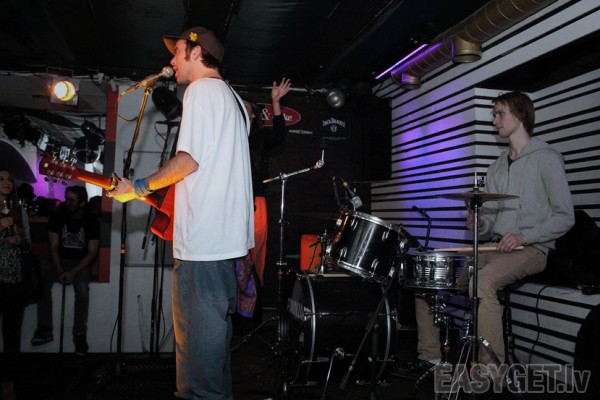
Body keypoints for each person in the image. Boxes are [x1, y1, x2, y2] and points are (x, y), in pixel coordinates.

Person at [107, 26, 254, 400]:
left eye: (177, 51)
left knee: (197, 376)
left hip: (203, 253)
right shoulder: (235, 101)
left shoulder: (202, 91)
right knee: (213, 365)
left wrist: (138, 187)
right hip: (225, 252)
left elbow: (189, 160)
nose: (171, 59)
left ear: (196, 51)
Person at [396, 91, 575, 383]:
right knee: (429, 277)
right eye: (494, 115)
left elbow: (566, 216)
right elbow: (490, 222)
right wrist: (478, 224)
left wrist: (525, 236)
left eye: (500, 113)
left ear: (520, 114)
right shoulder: (496, 166)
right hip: (495, 247)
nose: (495, 121)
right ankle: (430, 358)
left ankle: (492, 371)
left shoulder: (548, 158)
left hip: (531, 250)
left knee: (482, 282)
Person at [30, 185, 99, 356]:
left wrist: (72, 272)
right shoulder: (58, 216)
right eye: (66, 198)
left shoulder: (91, 221)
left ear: (82, 203)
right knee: (43, 278)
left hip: (80, 263)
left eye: (71, 200)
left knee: (82, 288)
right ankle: (45, 328)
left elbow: (92, 253)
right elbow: (53, 247)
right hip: (59, 261)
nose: (66, 202)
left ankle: (79, 333)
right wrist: (60, 270)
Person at [0, 168, 31, 400]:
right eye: (1, 179)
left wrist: (20, 241)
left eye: (9, 179)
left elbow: (28, 246)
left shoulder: (19, 210)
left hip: (13, 278)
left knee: (11, 334)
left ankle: (8, 383)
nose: (6, 182)